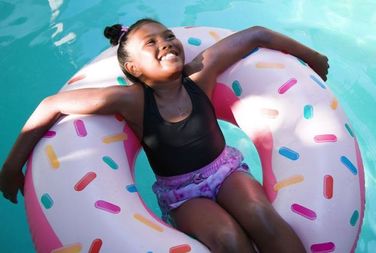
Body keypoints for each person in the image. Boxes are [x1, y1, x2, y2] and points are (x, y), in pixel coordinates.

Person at [0, 18, 329, 252]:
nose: (166, 43)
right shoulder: (132, 100)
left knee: (261, 217)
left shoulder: (201, 73)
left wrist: (312, 58)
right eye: (151, 43)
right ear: (134, 69)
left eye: (168, 36)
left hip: (226, 170)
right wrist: (12, 167)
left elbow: (256, 34)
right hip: (183, 194)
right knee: (228, 239)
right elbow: (52, 105)